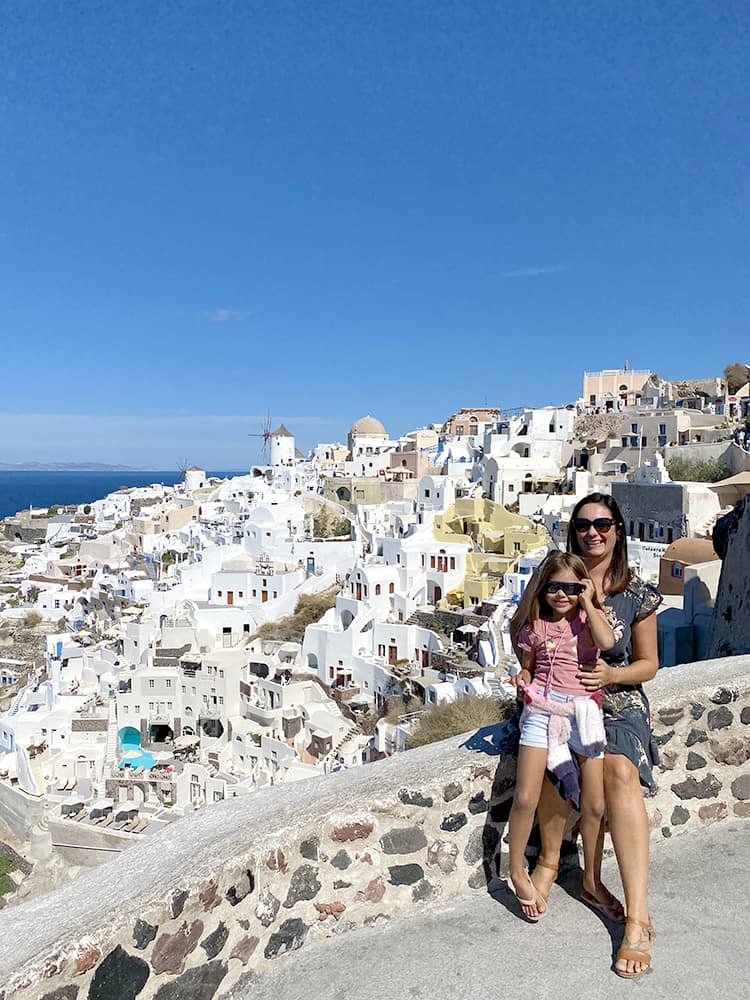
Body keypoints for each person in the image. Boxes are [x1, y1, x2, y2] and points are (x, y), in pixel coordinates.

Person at [522, 493, 661, 979]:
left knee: (620, 772)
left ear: (618, 530)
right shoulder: (556, 576)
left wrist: (610, 678)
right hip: (560, 696)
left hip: (617, 698)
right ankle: (556, 865)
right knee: (550, 761)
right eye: (583, 524)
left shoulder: (636, 592)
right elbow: (526, 625)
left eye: (603, 523)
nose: (593, 532)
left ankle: (637, 918)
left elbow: (649, 664)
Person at [506, 551, 615, 925]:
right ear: (543, 587)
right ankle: (517, 870)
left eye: (571, 587)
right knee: (525, 796)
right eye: (555, 587)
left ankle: (591, 878)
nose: (562, 595)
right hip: (542, 710)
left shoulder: (588, 621)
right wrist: (522, 677)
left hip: (584, 714)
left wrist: (588, 599)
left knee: (596, 806)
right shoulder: (534, 627)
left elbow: (609, 641)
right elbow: (528, 667)